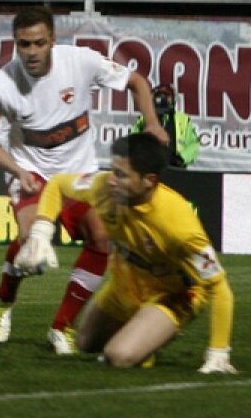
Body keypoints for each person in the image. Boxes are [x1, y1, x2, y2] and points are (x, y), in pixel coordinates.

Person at [0, 6, 169, 355]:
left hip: (79, 173)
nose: (32, 52)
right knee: (29, 240)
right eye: (24, 45)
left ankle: (61, 327)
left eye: (39, 43)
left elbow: (136, 82)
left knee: (101, 239)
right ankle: (4, 301)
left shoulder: (81, 61)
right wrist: (18, 170)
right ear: (15, 43)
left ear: (53, 39)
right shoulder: (2, 84)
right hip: (31, 171)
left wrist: (153, 123)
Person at [15, 133, 235, 373]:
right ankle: (145, 333)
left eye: (122, 175)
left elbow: (219, 287)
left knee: (118, 355)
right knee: (85, 343)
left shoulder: (180, 226)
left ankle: (155, 334)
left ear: (149, 180)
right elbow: (57, 184)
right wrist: (42, 230)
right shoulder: (103, 187)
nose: (112, 180)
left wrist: (218, 352)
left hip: (172, 294)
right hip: (125, 285)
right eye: (112, 170)